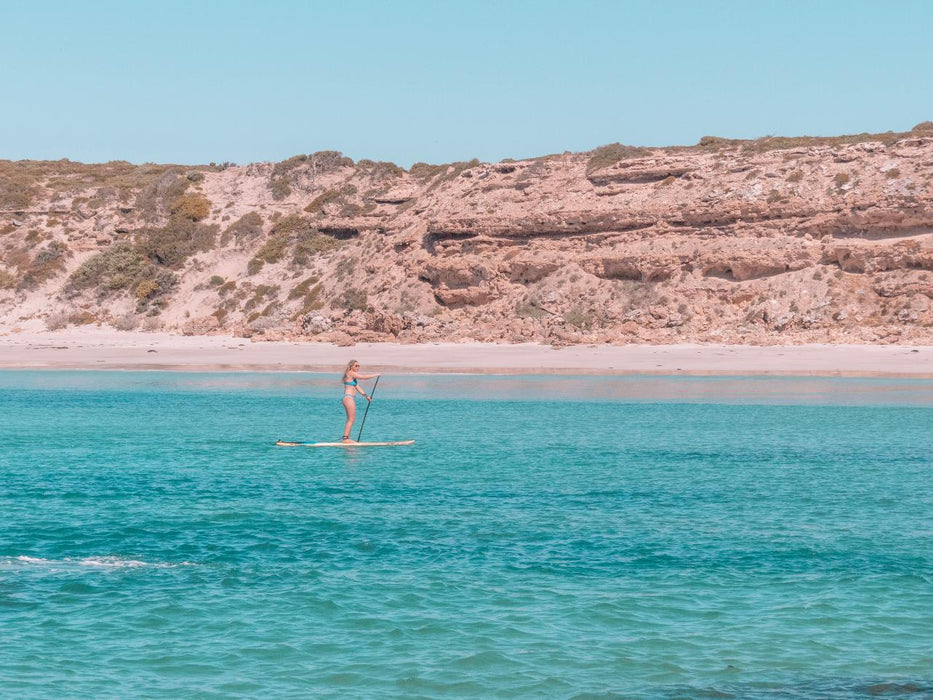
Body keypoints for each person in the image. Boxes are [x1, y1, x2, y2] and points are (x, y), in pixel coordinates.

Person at [341, 360, 380, 442]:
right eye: (356, 365)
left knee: (351, 419)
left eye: (358, 366)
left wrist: (366, 396)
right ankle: (345, 438)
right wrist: (375, 375)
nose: (357, 367)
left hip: (348, 398)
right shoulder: (350, 373)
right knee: (351, 419)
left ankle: (346, 438)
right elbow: (363, 377)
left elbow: (357, 387)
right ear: (351, 366)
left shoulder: (353, 377)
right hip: (348, 398)